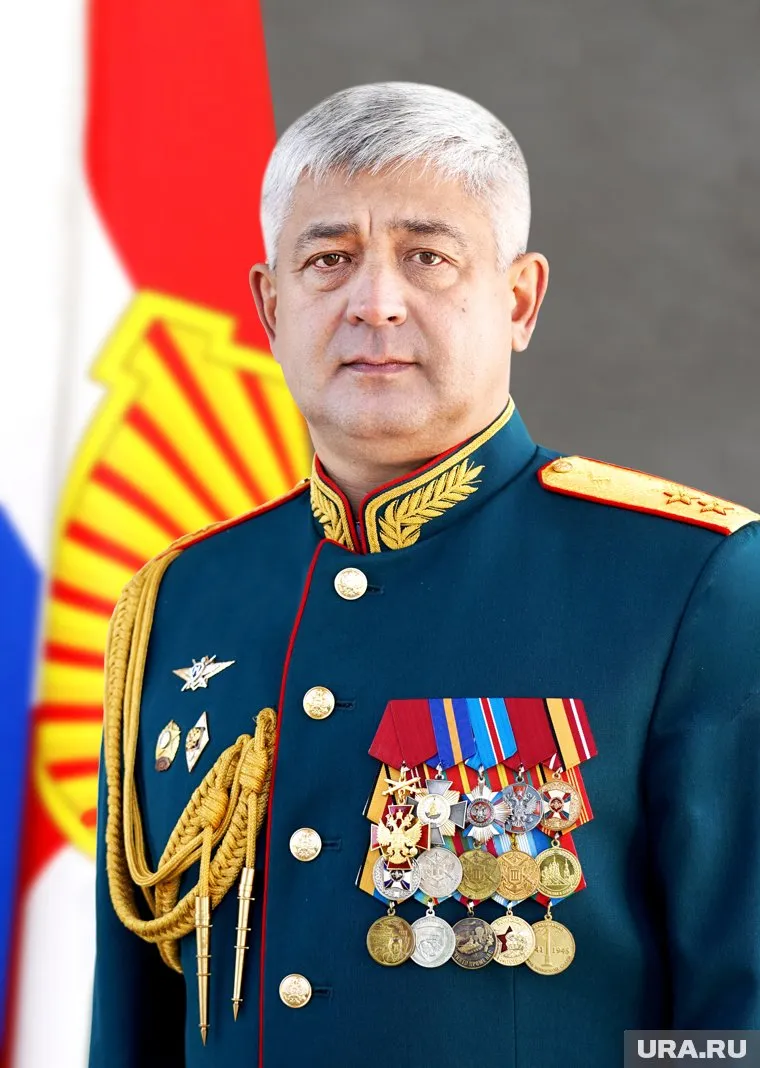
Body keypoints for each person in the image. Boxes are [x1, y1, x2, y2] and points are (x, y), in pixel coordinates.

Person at [88, 82, 760, 1068]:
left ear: (519, 300)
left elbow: (739, 1026)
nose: (375, 303)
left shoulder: (694, 581)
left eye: (427, 256)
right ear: (270, 306)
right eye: (329, 260)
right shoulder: (181, 603)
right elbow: (135, 1025)